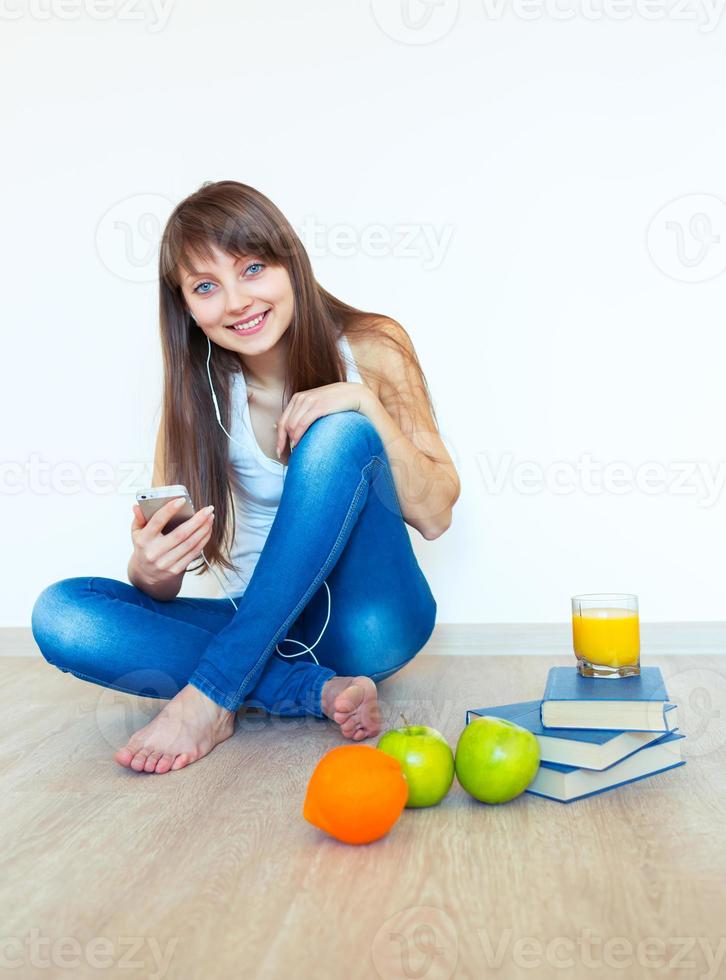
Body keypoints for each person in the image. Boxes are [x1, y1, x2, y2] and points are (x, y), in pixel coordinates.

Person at [31, 180, 460, 775]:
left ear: (291, 265)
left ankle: (213, 694)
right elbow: (167, 583)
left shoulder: (373, 346)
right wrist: (149, 569)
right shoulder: (194, 397)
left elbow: (436, 515)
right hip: (259, 632)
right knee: (63, 612)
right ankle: (305, 691)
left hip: (367, 623)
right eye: (206, 287)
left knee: (338, 431)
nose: (235, 301)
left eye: (252, 268)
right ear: (186, 306)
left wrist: (363, 404)